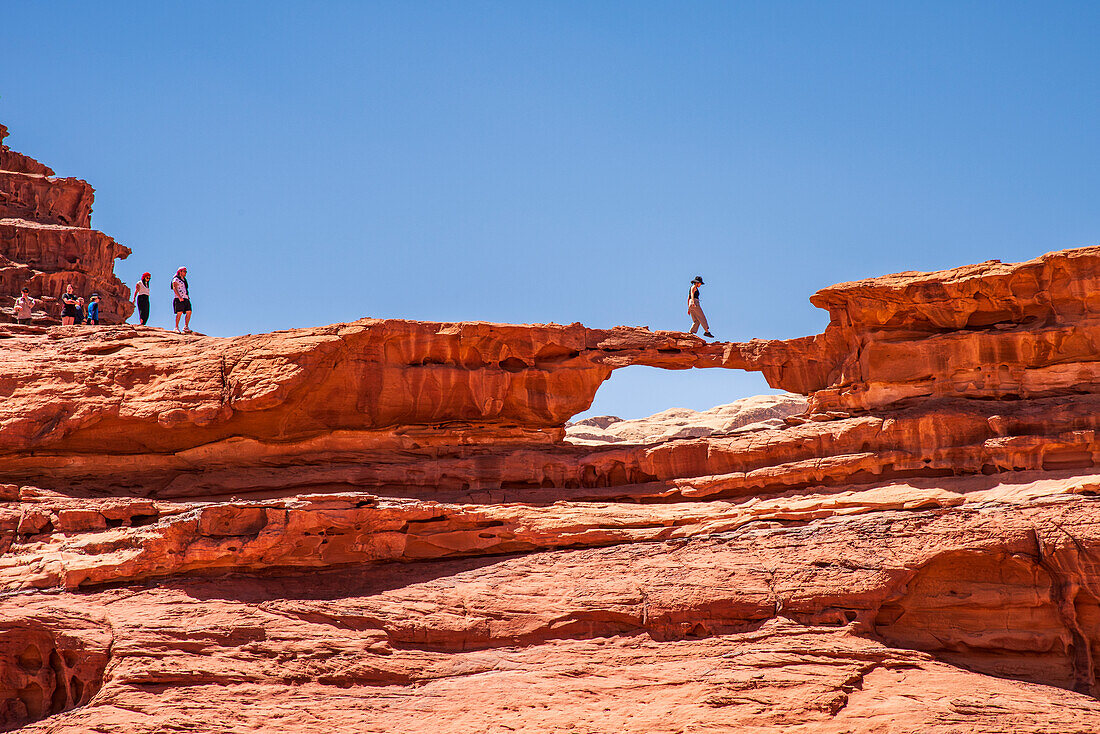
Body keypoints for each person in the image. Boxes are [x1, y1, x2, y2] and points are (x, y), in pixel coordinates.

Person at [172, 266, 192, 333]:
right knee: (179, 312)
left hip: (186, 297)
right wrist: (179, 297)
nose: (185, 273)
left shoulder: (184, 280)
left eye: (186, 271)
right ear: (180, 271)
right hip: (179, 298)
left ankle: (186, 327)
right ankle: (176, 327)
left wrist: (187, 296)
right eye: (184, 271)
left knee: (189, 311)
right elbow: (174, 287)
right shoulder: (176, 279)